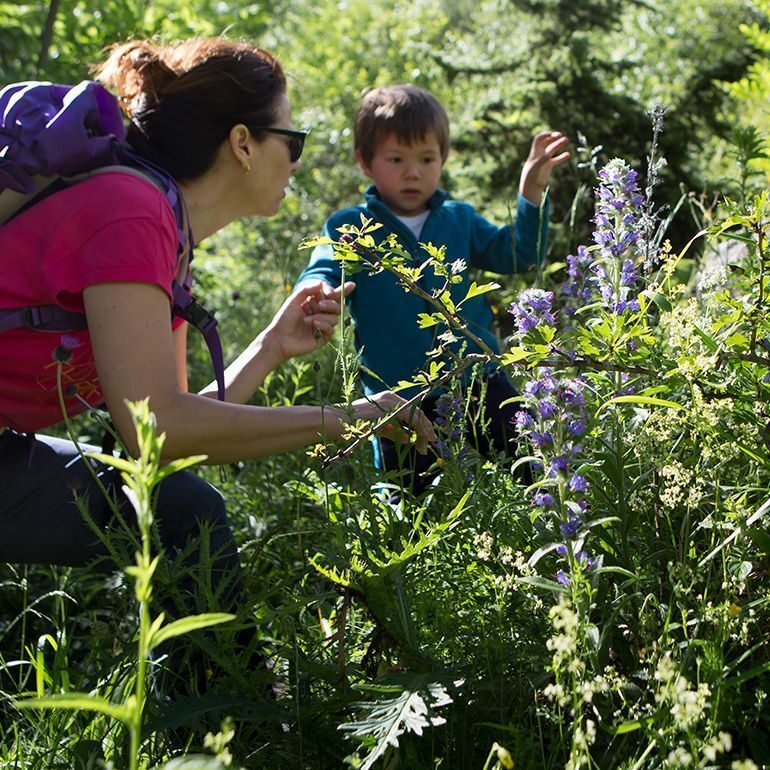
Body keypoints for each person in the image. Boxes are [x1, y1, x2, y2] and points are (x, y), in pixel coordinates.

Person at [0, 40, 435, 685]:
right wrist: (346, 417)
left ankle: (216, 727)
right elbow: (165, 430)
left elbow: (164, 441)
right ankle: (236, 728)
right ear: (242, 144)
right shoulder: (131, 212)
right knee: (185, 512)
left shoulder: (166, 235)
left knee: (182, 507)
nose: (295, 159)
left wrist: (269, 347)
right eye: (293, 139)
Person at [295, 84, 569, 494]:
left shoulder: (459, 219)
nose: (413, 171)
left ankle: (553, 536)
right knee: (407, 497)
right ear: (365, 162)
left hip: (478, 378)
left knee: (533, 468)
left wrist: (530, 192)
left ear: (443, 159)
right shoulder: (349, 226)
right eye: (396, 159)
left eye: (427, 158)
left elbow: (519, 256)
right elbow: (322, 269)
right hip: (399, 397)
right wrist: (316, 292)